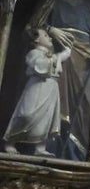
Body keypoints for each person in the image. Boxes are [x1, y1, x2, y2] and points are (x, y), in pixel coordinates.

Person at [26, 0, 90, 161]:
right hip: (59, 63)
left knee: (85, 109)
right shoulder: (49, 5)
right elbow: (30, 29)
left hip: (85, 63)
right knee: (54, 107)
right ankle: (51, 151)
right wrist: (50, 29)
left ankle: (76, 156)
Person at [3, 27, 71, 156]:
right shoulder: (33, 53)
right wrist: (59, 57)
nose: (50, 37)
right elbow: (41, 66)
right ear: (36, 40)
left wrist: (61, 55)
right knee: (26, 114)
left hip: (51, 87)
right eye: (45, 35)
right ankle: (10, 141)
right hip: (37, 87)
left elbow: (57, 70)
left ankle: (40, 148)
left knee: (47, 118)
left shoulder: (50, 54)